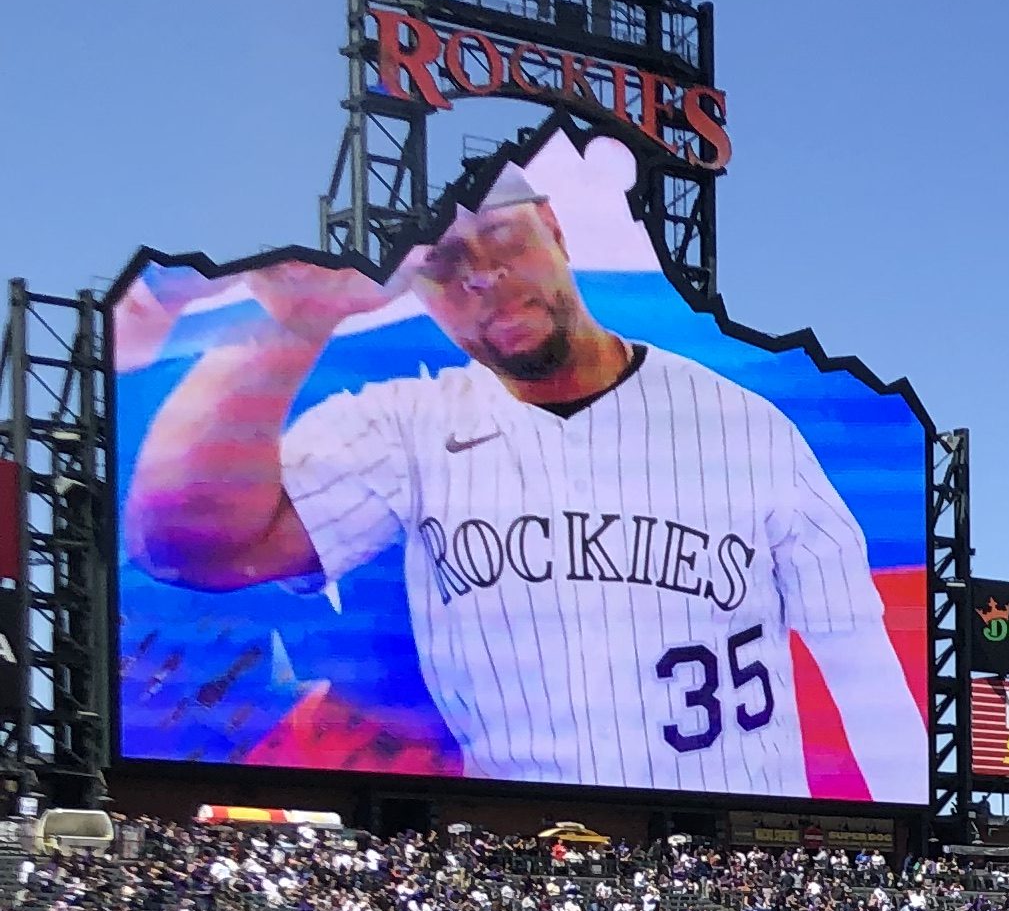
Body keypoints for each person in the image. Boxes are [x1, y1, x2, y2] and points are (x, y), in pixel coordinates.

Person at [119, 164, 927, 797]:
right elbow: (185, 546)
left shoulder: (746, 426)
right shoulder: (403, 425)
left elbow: (855, 652)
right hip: (518, 840)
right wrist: (297, 322)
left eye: (503, 239)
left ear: (555, 228)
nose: (481, 278)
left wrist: (904, 830)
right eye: (444, 264)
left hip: (734, 832)